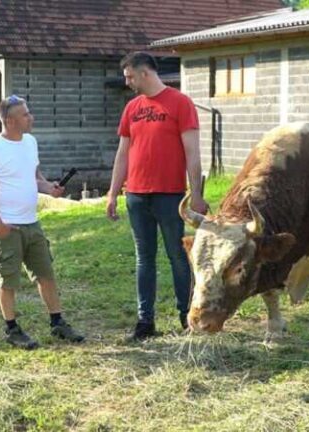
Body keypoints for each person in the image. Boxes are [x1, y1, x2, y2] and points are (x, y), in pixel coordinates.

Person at [106, 52, 209, 341]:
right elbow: (123, 153)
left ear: (144, 73)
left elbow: (192, 152)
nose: (127, 82)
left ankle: (187, 317)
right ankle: (145, 321)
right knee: (144, 258)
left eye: (130, 76)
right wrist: (113, 193)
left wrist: (196, 194)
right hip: (137, 196)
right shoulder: (132, 108)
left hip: (170, 195)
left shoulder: (180, 103)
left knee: (177, 255)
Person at [0, 94, 84, 349]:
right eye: (25, 114)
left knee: (46, 274)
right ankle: (12, 329)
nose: (31, 118)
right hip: (7, 226)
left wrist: (49, 188)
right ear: (10, 121)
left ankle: (57, 323)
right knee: (8, 280)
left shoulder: (30, 142)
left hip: (32, 223)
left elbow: (34, 177)